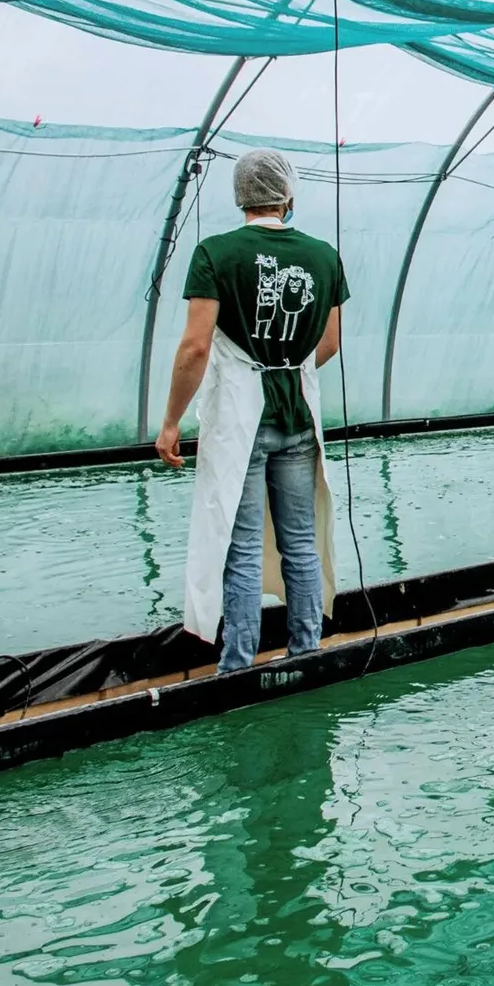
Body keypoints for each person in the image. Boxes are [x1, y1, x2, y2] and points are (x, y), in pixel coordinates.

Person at [156, 150, 350, 671]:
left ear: (241, 194)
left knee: (240, 547)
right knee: (301, 543)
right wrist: (285, 368)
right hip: (298, 416)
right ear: (287, 196)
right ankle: (306, 651)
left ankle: (237, 665)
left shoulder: (216, 253)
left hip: (241, 420)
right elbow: (329, 343)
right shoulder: (324, 256)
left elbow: (195, 347)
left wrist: (171, 422)